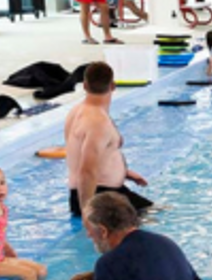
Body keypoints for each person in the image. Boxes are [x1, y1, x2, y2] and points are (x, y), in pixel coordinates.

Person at [65, 62, 152, 218]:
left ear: (84, 86)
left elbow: (78, 156)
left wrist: (125, 173)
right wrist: (88, 213)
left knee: (157, 213)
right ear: (113, 86)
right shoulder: (98, 122)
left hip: (97, 193)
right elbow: (87, 172)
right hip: (101, 198)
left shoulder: (76, 112)